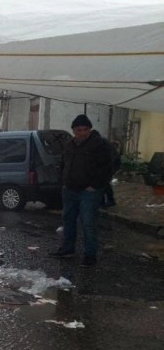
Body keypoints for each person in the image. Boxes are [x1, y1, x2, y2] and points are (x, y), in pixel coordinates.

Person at [49, 114, 113, 268]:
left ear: (89, 129)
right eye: (78, 130)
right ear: (73, 130)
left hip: (89, 191)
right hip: (70, 189)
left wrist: (96, 185)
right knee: (68, 220)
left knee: (88, 223)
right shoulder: (69, 145)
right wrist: (63, 182)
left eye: (85, 130)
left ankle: (90, 255)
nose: (82, 133)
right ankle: (67, 249)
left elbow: (109, 167)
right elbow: (64, 164)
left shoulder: (99, 145)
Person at [102, 140, 122, 208]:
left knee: (104, 185)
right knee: (104, 185)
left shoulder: (111, 151)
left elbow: (113, 162)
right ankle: (106, 201)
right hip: (109, 169)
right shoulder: (112, 151)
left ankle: (108, 201)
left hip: (109, 169)